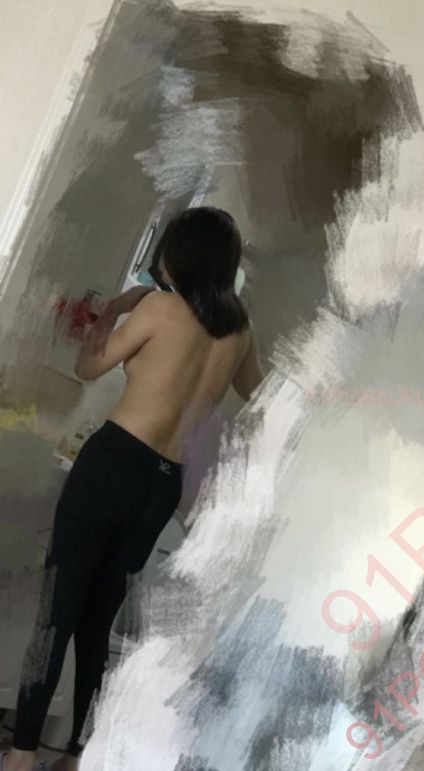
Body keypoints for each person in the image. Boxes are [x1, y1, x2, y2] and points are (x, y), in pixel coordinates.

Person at [2, 207, 264, 771]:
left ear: (178, 254)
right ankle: (77, 754)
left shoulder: (161, 308)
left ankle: (21, 753)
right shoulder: (240, 330)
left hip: (114, 463)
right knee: (98, 623)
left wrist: (117, 307)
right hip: (162, 485)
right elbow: (259, 393)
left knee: (57, 611)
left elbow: (88, 367)